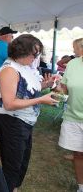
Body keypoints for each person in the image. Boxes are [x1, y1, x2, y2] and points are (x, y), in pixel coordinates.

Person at [0, 34, 58, 192]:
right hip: (12, 122)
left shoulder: (24, 67)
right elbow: (9, 104)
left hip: (24, 122)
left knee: (21, 163)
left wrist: (46, 84)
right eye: (35, 53)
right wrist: (40, 100)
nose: (36, 57)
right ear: (22, 51)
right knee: (12, 165)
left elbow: (27, 90)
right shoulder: (9, 70)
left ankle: (13, 188)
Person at [57, 38, 83, 192]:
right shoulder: (73, 64)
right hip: (73, 117)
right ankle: (81, 186)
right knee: (78, 153)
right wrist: (57, 92)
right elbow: (64, 88)